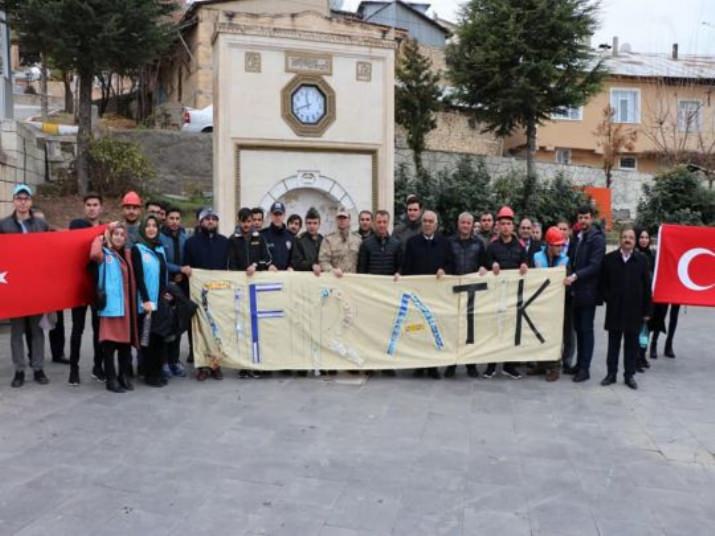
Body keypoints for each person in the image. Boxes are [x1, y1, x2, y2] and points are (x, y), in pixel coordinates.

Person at [0, 184, 50, 388]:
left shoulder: (41, 225)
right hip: (14, 285)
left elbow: (53, 247)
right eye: (19, 198)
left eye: (25, 198)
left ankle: (38, 367)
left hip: (36, 285)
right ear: (14, 201)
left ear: (30, 201)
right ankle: (19, 369)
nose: (22, 202)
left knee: (37, 330)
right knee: (17, 331)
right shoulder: (3, 225)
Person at [401, 210, 453, 380]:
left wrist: (444, 270)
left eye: (431, 221)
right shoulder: (412, 242)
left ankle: (432, 366)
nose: (428, 224)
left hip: (437, 295)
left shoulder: (444, 243)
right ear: (421, 223)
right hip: (418, 294)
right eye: (425, 221)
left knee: (434, 329)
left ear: (436, 225)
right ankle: (418, 364)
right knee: (418, 328)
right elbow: (406, 267)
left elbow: (451, 264)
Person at [599, 227, 652, 390]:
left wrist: (647, 311)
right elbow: (603, 284)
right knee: (613, 344)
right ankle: (611, 374)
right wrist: (610, 298)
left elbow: (647, 287)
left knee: (631, 345)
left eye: (631, 237)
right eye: (624, 237)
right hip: (615, 309)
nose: (627, 240)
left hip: (634, 311)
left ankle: (629, 375)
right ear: (619, 240)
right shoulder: (609, 259)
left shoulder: (642, 260)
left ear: (635, 241)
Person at [89, 223, 139, 393]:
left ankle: (123, 376)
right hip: (110, 308)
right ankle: (111, 379)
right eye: (115, 233)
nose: (119, 237)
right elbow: (93, 253)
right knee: (109, 347)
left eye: (121, 234)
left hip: (125, 307)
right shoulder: (104, 253)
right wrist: (101, 237)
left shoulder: (127, 254)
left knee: (124, 346)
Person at [183, 208, 229, 381]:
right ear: (200, 222)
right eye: (207, 219)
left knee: (217, 329)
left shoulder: (225, 242)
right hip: (198, 293)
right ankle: (202, 365)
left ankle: (216, 364)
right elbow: (186, 265)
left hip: (219, 293)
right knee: (199, 329)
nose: (210, 221)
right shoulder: (190, 243)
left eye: (213, 219)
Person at [483, 206, 528, 379]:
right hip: (496, 296)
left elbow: (526, 264)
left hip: (514, 297)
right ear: (498, 226)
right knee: (494, 329)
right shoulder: (492, 247)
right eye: (502, 224)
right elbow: (483, 267)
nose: (505, 227)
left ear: (513, 226)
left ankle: (509, 365)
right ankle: (491, 365)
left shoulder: (520, 247)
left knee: (511, 330)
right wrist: (490, 266)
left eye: (508, 224)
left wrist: (524, 266)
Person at [66, 193, 105, 385]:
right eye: (88, 205)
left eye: (95, 204)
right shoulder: (76, 226)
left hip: (99, 286)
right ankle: (74, 369)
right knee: (77, 329)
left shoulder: (106, 231)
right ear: (84, 207)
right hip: (79, 285)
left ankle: (98, 367)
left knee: (99, 329)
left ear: (101, 208)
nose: (92, 208)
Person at [564, 205, 606, 383]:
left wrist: (575, 275)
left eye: (586, 217)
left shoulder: (597, 239)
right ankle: (579, 364)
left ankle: (585, 368)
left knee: (586, 330)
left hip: (588, 291)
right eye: (580, 217)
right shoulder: (577, 237)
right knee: (578, 329)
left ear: (591, 218)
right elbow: (571, 259)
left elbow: (595, 265)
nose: (583, 221)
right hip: (575, 291)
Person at [445, 212, 487, 379]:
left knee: (471, 329)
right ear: (458, 223)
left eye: (468, 223)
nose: (465, 226)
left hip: (472, 291)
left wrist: (484, 268)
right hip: (453, 291)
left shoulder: (479, 243)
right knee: (453, 328)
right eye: (462, 222)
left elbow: (485, 263)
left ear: (472, 225)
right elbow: (446, 263)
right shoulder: (449, 242)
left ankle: (471, 364)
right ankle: (451, 364)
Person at [531, 226, 570, 382]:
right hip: (540, 303)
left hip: (557, 305)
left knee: (555, 335)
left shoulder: (565, 260)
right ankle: (541, 364)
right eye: (557, 245)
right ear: (549, 245)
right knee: (539, 334)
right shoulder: (536, 257)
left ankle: (554, 366)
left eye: (562, 245)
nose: (560, 248)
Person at [159, 206, 190, 378]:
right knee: (166, 325)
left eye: (177, 218)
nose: (175, 222)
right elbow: (162, 262)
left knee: (177, 325)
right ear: (166, 219)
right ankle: (163, 361)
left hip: (181, 287)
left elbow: (188, 259)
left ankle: (174, 360)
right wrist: (178, 270)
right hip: (166, 285)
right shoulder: (160, 237)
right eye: (171, 218)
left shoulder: (184, 237)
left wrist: (183, 273)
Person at [317, 206, 361, 276]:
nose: (342, 220)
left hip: (353, 281)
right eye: (339, 218)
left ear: (349, 220)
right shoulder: (328, 239)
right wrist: (332, 270)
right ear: (336, 220)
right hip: (335, 279)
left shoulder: (358, 239)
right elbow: (323, 260)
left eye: (344, 218)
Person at [634, 228, 655, 372]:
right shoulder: (634, 255)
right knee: (637, 330)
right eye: (641, 237)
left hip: (649, 298)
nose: (644, 240)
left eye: (646, 237)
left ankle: (642, 355)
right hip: (637, 298)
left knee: (646, 330)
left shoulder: (652, 255)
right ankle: (635, 358)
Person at [261, 202, 295, 271]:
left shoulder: (290, 236)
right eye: (275, 214)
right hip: (268, 276)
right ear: (271, 215)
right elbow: (259, 256)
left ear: (284, 215)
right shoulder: (263, 235)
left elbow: (294, 256)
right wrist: (268, 266)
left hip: (286, 277)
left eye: (280, 214)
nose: (278, 217)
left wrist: (291, 266)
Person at [292, 207, 323, 274]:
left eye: (315, 223)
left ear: (319, 224)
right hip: (305, 278)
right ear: (305, 224)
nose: (312, 226)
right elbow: (296, 263)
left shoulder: (323, 240)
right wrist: (312, 265)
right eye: (309, 223)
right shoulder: (299, 241)